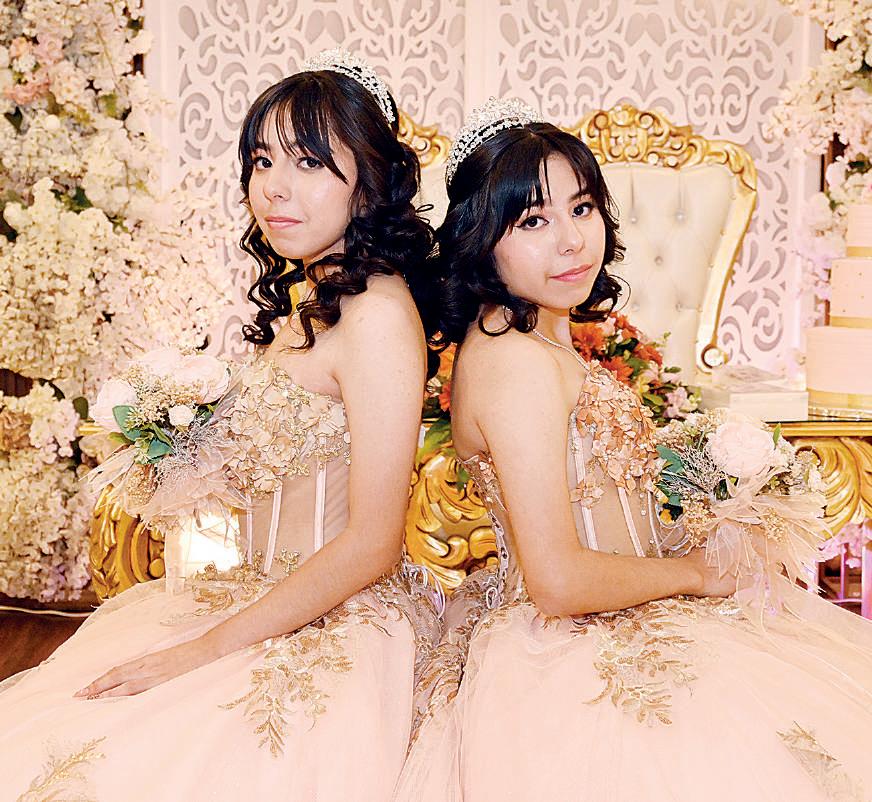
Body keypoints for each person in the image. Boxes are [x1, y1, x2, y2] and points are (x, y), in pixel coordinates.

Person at [394, 97, 872, 802]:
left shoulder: (536, 341)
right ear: (481, 239)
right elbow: (557, 580)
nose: (571, 241)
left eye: (582, 208)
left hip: (618, 612)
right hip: (571, 647)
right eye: (533, 221)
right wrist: (697, 575)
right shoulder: (514, 363)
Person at [0, 50, 440, 802]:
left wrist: (200, 652)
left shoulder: (377, 317)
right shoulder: (313, 306)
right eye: (262, 161)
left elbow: (373, 542)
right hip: (251, 595)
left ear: (368, 179)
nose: (273, 187)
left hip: (331, 619)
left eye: (308, 162)